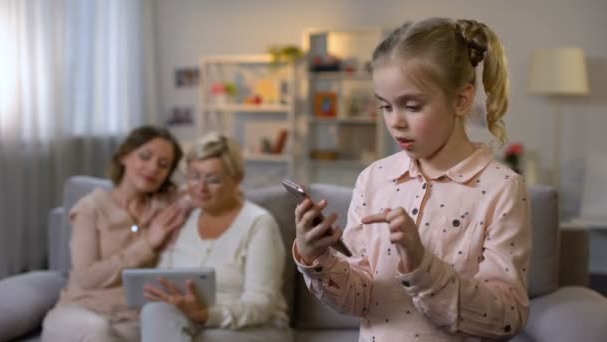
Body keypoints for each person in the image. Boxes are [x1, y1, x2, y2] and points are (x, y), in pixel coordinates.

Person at [293, 17, 531, 341]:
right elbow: (358, 299)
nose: (396, 123)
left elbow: (507, 318)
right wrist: (316, 257)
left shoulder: (501, 189)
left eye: (412, 106)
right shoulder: (374, 179)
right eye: (385, 107)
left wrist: (422, 265)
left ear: (461, 100)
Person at [140, 132, 290, 342]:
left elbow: (261, 304)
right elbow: (162, 277)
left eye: (213, 179)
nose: (200, 188)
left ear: (237, 179)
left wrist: (207, 315)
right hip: (189, 322)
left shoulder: (258, 223)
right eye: (194, 177)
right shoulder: (183, 218)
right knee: (154, 312)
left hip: (254, 327)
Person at [42, 126, 187, 342]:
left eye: (163, 164)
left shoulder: (166, 206)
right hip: (81, 313)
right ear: (124, 156)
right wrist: (147, 245)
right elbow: (88, 277)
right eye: (145, 156)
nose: (152, 168)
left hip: (132, 321)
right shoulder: (91, 208)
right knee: (97, 332)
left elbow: (208, 190)